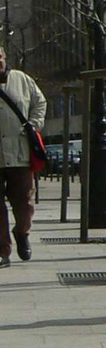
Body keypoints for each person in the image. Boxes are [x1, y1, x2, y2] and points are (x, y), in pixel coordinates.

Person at [0, 43, 48, 266]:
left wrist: (34, 125)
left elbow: (40, 102)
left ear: (4, 58)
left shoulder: (22, 80)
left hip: (19, 154)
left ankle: (22, 232)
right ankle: (3, 251)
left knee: (24, 204)